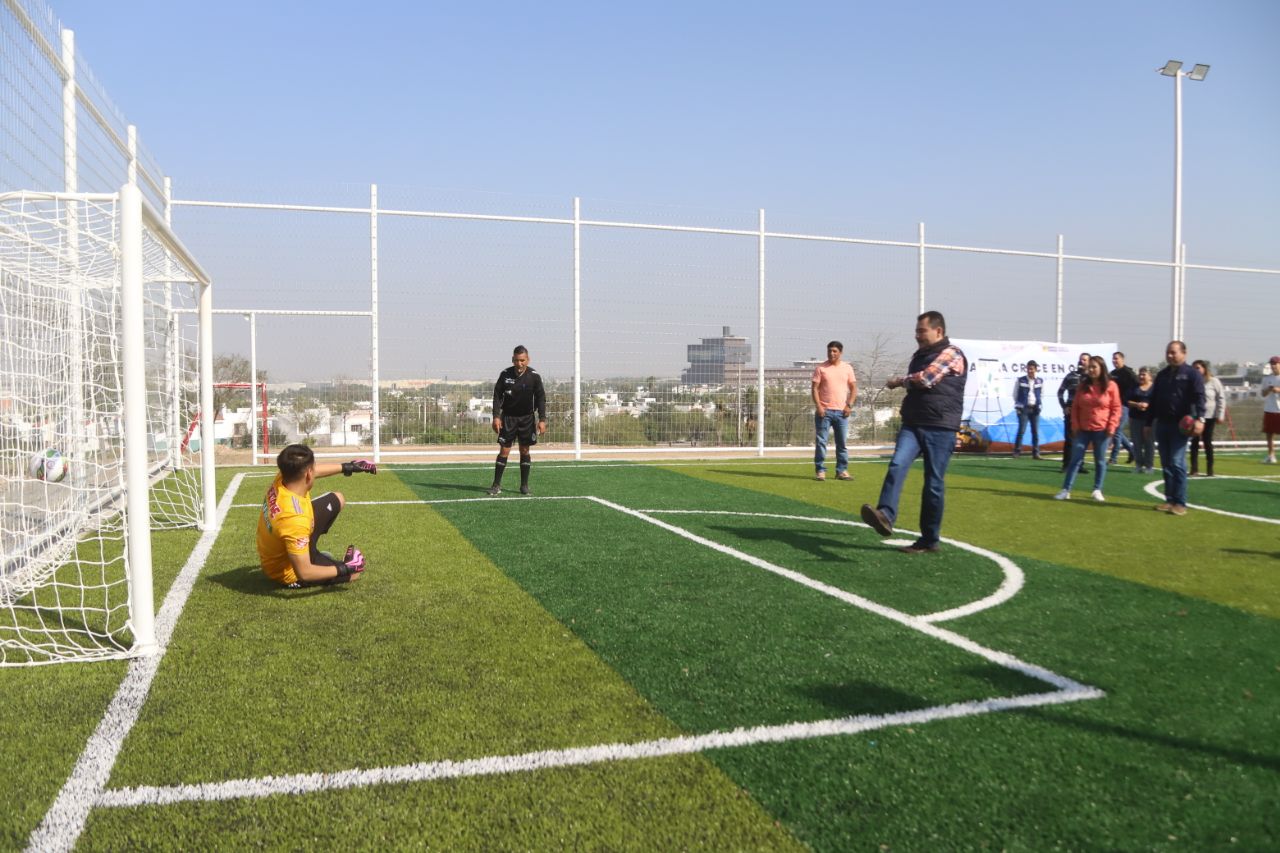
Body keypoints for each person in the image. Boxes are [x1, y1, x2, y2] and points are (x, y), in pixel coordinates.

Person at [860, 311, 968, 554]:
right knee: (897, 465)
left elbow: (927, 379)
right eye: (917, 331)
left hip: (940, 426)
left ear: (938, 331)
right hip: (913, 423)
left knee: (933, 483)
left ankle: (929, 540)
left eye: (922, 331)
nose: (917, 335)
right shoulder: (918, 355)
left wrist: (899, 381)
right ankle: (885, 515)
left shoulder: (952, 353)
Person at [256, 443, 376, 587]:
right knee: (354, 574)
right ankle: (313, 558)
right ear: (308, 474)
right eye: (313, 468)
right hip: (290, 571)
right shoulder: (295, 519)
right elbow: (304, 573)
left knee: (338, 498)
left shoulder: (284, 477)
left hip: (290, 536)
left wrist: (349, 466)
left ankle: (311, 553)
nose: (315, 470)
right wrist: (346, 568)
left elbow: (312, 470)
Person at [1145, 341, 1206, 516]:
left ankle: (1180, 502)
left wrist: (1200, 419)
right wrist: (1149, 423)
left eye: (1173, 352)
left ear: (1184, 353)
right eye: (1168, 353)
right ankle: (1169, 499)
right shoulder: (1162, 375)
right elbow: (1154, 400)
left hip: (1181, 425)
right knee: (1166, 464)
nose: (1170, 356)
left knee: (1177, 461)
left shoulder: (1192, 374)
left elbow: (1199, 398)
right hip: (1162, 424)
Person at [1054, 356, 1121, 502]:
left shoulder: (1111, 386)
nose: (1090, 370)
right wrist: (1075, 426)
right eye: (1089, 367)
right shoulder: (1083, 385)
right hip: (1083, 430)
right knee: (1075, 459)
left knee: (1100, 461)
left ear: (1101, 368)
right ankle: (1066, 489)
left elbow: (1116, 408)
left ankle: (1097, 490)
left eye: (1094, 367)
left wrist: (1111, 427)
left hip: (1102, 430)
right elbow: (1076, 406)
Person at [488, 345, 547, 496]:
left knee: (525, 450)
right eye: (516, 360)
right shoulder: (505, 374)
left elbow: (541, 398)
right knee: (504, 450)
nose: (519, 364)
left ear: (527, 360)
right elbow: (497, 396)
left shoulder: (534, 376)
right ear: (512, 360)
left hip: (527, 418)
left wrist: (542, 419)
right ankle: (496, 485)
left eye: (522, 360)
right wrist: (496, 416)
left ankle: (524, 486)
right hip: (508, 418)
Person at [811, 340, 858, 481]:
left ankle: (841, 471)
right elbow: (814, 388)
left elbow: (854, 388)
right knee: (821, 442)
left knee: (842, 443)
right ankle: (820, 470)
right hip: (824, 412)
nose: (831, 353)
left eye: (834, 351)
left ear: (840, 352)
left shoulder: (847, 368)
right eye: (829, 351)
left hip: (842, 412)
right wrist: (819, 406)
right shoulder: (821, 368)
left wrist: (849, 405)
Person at [1189, 360, 1225, 477]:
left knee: (1207, 442)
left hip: (1209, 416)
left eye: (1198, 368)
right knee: (1194, 443)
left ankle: (1210, 469)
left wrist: (1220, 414)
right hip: (1195, 416)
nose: (1196, 370)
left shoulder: (1214, 382)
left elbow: (1221, 398)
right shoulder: (1191, 383)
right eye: (1194, 368)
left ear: (1204, 368)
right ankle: (1194, 469)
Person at [1057, 352, 1091, 473]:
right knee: (1070, 438)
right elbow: (1060, 392)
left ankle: (1079, 465)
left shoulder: (1091, 378)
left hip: (1085, 412)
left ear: (1089, 362)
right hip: (1071, 410)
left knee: (1082, 439)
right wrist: (1064, 406)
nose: (1082, 362)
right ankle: (1066, 465)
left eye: (1085, 360)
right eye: (1081, 359)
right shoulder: (1071, 376)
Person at [1108, 351, 1138, 464]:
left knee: (1116, 430)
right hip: (1112, 406)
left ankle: (1113, 458)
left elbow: (1137, 387)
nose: (1114, 361)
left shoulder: (1128, 373)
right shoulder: (1112, 374)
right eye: (1113, 358)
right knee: (1117, 431)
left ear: (1122, 359)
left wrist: (1129, 400)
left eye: (1116, 358)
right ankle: (1132, 452)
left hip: (1124, 406)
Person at [1012, 360, 1043, 459]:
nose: (1030, 371)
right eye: (1028, 369)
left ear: (1036, 369)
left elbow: (1041, 394)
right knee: (1021, 431)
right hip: (1023, 409)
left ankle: (1036, 453)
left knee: (1035, 432)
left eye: (1032, 369)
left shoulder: (1040, 381)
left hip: (1035, 409)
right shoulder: (1020, 380)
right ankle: (1017, 452)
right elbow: (1015, 394)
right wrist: (1019, 405)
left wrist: (1038, 403)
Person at [1127, 367, 1156, 474]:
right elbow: (1127, 401)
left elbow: (1158, 401)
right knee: (1137, 442)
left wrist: (1148, 405)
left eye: (1144, 374)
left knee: (1149, 443)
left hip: (1150, 419)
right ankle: (1138, 465)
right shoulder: (1134, 387)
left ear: (1150, 376)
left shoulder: (1155, 387)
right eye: (1140, 374)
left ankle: (1149, 466)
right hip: (1135, 418)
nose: (1141, 376)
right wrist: (1137, 404)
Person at [1261, 356, 1280, 464]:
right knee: (1269, 434)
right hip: (1270, 409)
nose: (1273, 366)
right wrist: (1268, 390)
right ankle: (1271, 455)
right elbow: (1262, 394)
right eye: (1271, 364)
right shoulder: (1267, 379)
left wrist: (1278, 390)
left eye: (1275, 363)